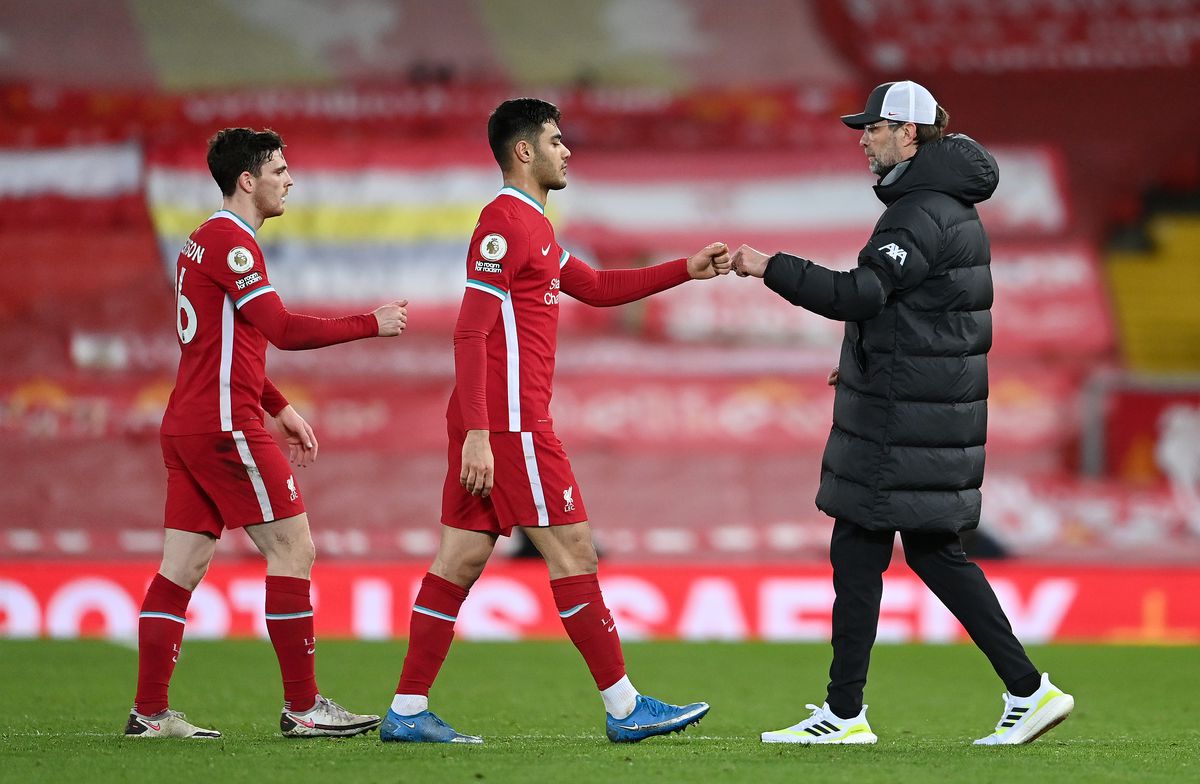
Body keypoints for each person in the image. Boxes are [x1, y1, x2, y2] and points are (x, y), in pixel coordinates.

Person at [731, 81, 1074, 746]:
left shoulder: (918, 212)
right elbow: (925, 316)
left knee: (875, 547)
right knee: (919, 551)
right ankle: (1019, 691)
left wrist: (769, 266)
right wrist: (868, 357)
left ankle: (855, 713)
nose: (863, 139)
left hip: (904, 422)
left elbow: (860, 294)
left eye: (874, 128)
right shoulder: (945, 205)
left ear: (908, 133)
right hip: (921, 410)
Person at [379, 98, 728, 745]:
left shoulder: (535, 226)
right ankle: (625, 708)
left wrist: (685, 270)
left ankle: (406, 709)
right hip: (509, 425)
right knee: (575, 552)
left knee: (458, 561)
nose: (567, 151)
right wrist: (481, 434)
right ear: (524, 151)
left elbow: (595, 287)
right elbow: (469, 331)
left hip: (493, 422)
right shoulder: (502, 224)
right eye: (556, 141)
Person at [125, 128, 408, 739]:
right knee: (293, 549)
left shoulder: (203, 239)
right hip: (224, 425)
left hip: (190, 423)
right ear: (247, 180)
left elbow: (229, 344)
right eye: (279, 170)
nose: (289, 180)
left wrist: (277, 405)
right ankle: (303, 708)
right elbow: (280, 328)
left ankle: (149, 713)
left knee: (182, 566)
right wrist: (371, 322)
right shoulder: (232, 243)